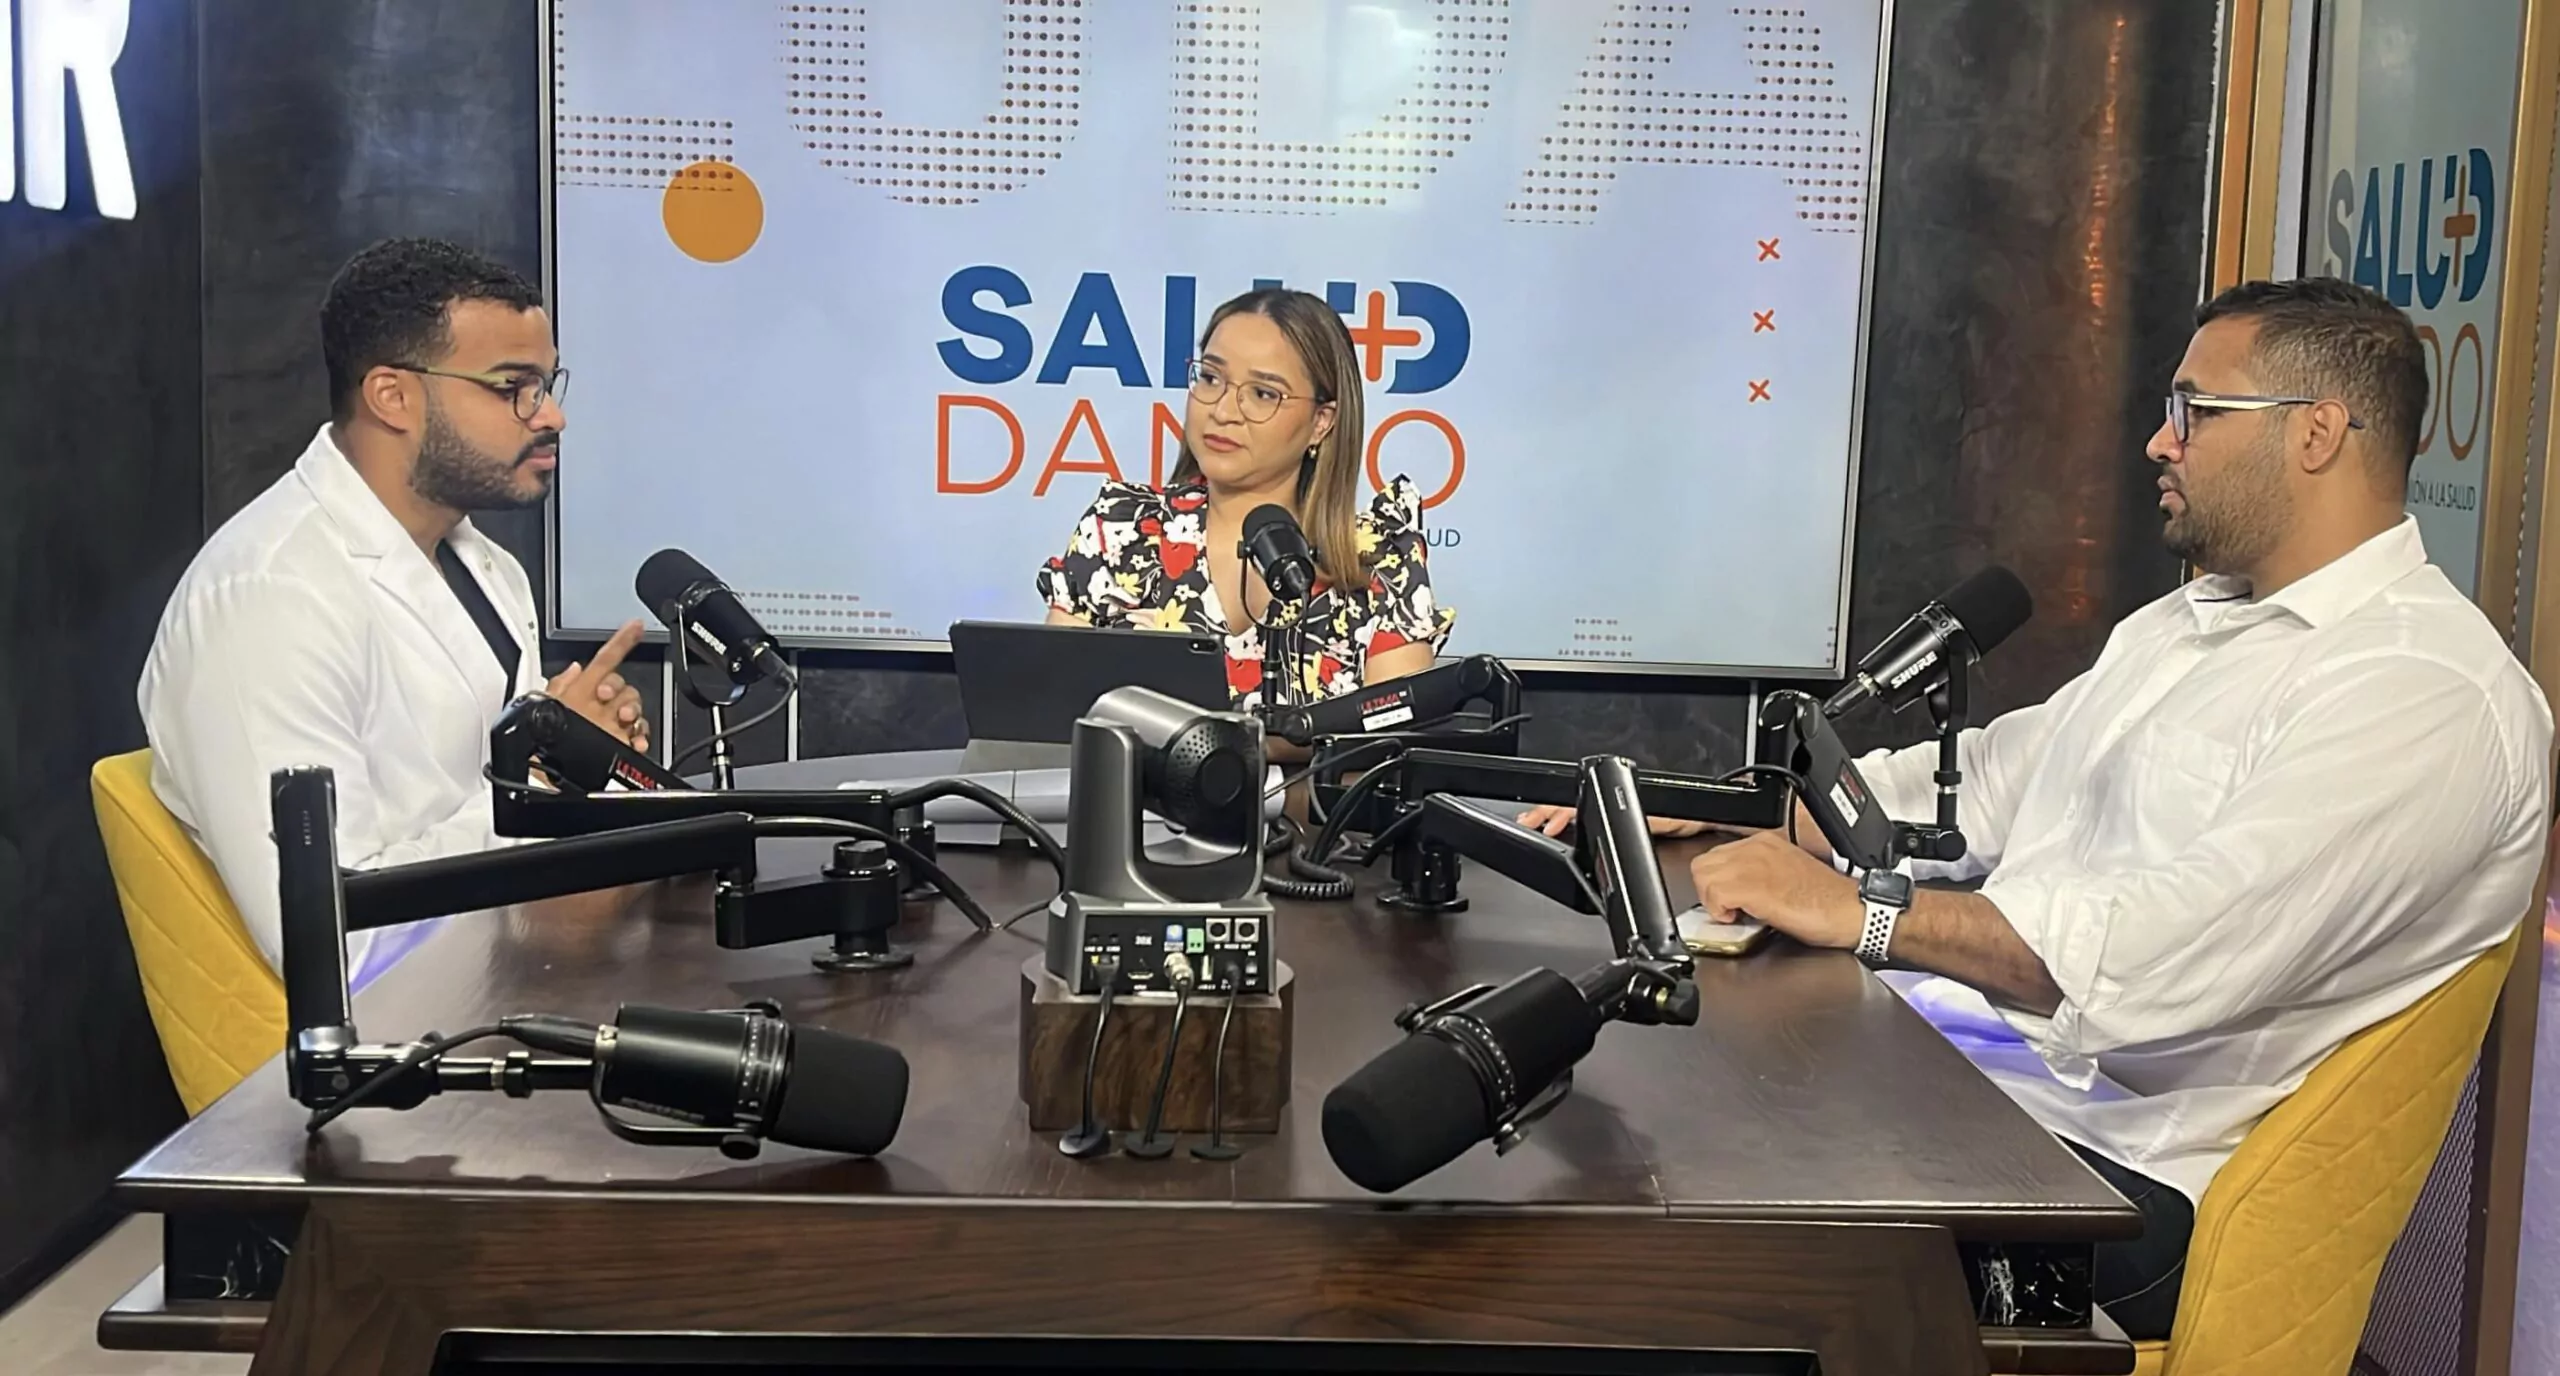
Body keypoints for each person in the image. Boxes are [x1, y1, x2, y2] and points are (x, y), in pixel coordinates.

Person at [1525, 277, 2552, 1339]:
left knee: (1666, 1228)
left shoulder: (2427, 695)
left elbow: (2149, 954)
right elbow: (1989, 779)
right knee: (1637, 1101)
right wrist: (1742, 810)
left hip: (2126, 1188)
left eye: (2195, 411)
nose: (2160, 441)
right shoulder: (2188, 625)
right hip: (1992, 1092)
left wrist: (1866, 917)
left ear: (2317, 433)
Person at [139, 238, 650, 968]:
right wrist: (545, 779)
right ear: (392, 397)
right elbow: (333, 941)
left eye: (546, 384)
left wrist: (591, 755)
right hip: (409, 1026)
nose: (551, 417)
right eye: (513, 387)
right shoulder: (267, 601)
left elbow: (496, 804)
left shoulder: (489, 568)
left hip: (512, 971)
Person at [1038, 287, 1453, 713]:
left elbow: (1388, 736)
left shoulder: (1378, 562)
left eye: (1263, 393)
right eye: (1210, 378)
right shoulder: (1120, 530)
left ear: (1321, 422)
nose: (1222, 411)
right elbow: (1047, 715)